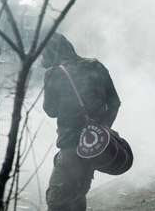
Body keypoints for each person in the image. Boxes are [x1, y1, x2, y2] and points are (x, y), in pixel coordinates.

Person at [42, 33, 120, 211]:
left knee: (57, 200)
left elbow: (50, 110)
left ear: (49, 52)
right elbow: (115, 102)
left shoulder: (54, 73)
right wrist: (102, 130)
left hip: (70, 145)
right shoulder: (96, 66)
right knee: (78, 195)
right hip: (94, 148)